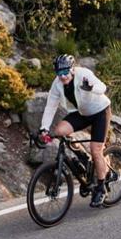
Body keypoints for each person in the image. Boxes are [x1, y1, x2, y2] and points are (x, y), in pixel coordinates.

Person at [38, 54, 113, 208]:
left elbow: (102, 87)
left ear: (72, 69)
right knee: (59, 131)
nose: (63, 76)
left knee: (96, 150)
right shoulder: (57, 83)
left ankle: (101, 187)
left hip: (99, 111)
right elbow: (51, 106)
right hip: (82, 113)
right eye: (59, 73)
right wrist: (44, 128)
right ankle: (83, 157)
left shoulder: (83, 74)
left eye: (65, 72)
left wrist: (91, 88)